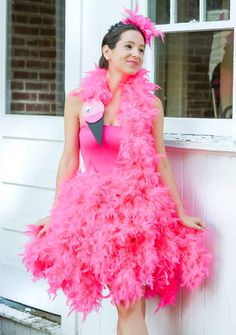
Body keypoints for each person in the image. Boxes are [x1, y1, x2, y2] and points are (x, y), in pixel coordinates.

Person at [21, 7, 211, 335]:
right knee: (120, 305)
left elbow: (160, 159)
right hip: (90, 214)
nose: (136, 54)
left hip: (134, 213)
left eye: (141, 49)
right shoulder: (78, 101)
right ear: (107, 51)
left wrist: (180, 213)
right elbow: (69, 158)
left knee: (129, 303)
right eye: (128, 46)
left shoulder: (151, 105)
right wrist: (56, 213)